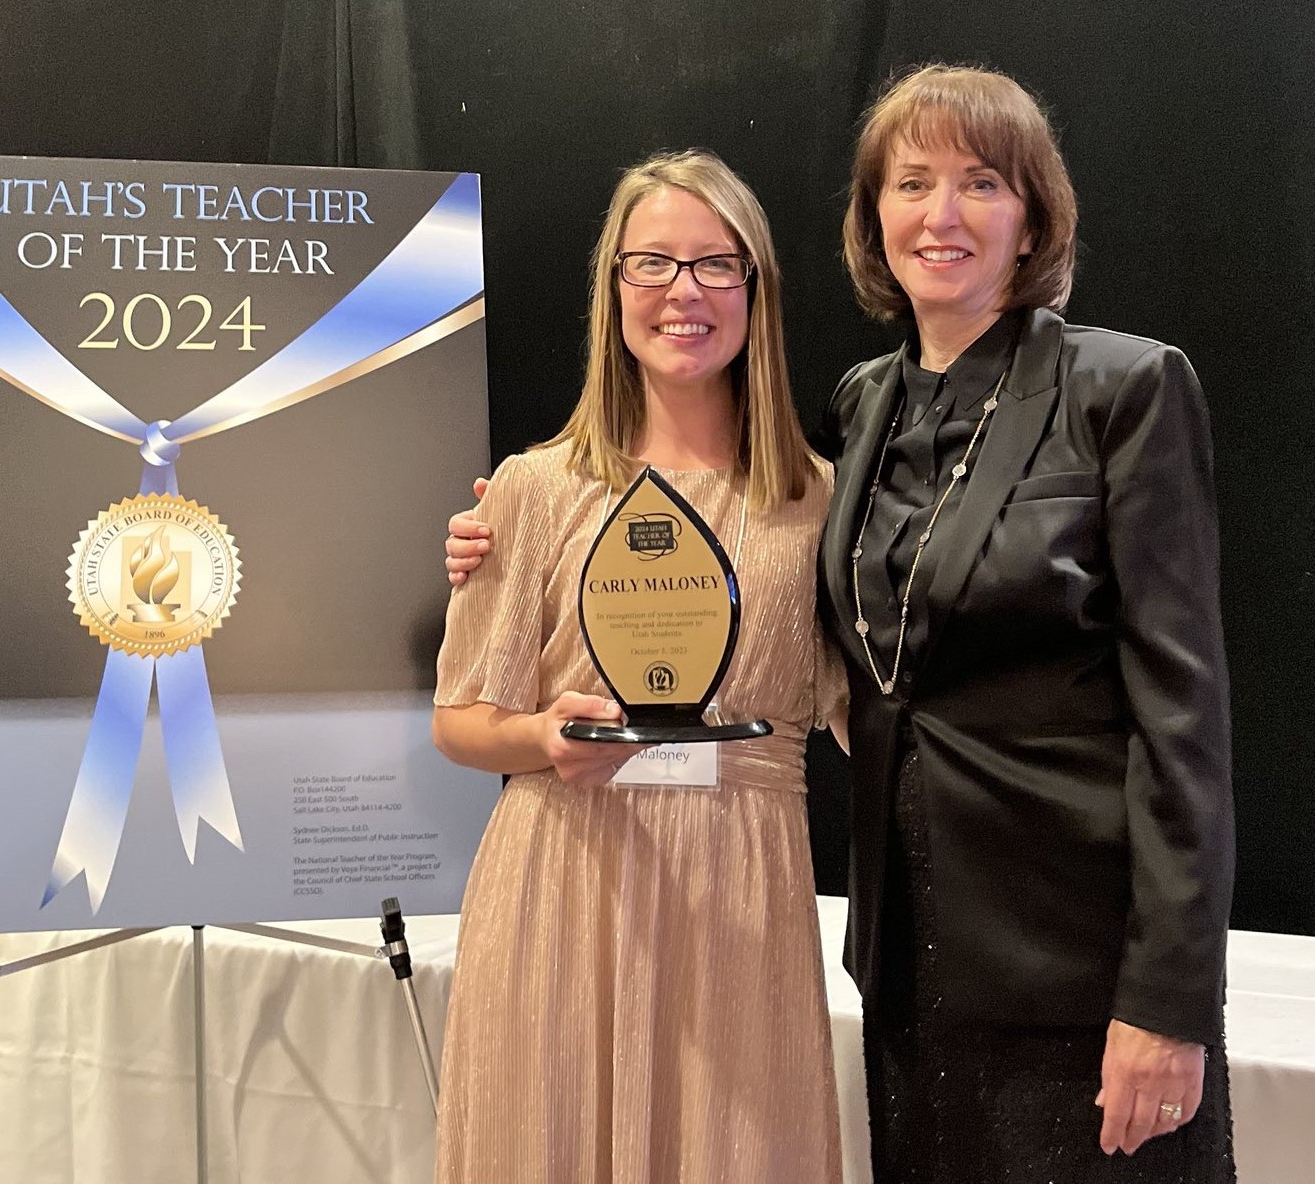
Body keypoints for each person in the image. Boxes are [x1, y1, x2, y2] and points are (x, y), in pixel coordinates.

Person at [447, 66, 1235, 1183]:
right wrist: (501, 554)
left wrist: (1166, 998)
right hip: (905, 949)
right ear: (871, 220)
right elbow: (864, 669)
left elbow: (1182, 722)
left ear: (1032, 217)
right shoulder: (866, 412)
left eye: (980, 182)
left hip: (1061, 944)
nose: (942, 213)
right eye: (909, 183)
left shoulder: (1119, 388)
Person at [430, 149, 847, 1182]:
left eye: (715, 264)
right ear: (612, 287)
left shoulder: (817, 500)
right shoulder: (532, 488)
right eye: (651, 263)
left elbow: (869, 709)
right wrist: (537, 737)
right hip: (562, 882)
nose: (682, 292)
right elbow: (456, 721)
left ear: (755, 290)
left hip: (740, 898)